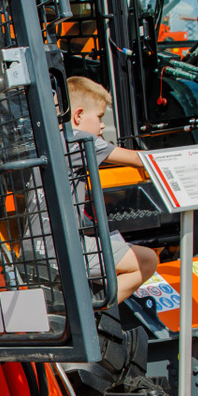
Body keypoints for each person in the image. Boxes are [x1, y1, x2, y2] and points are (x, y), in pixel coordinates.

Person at [69, 76, 159, 304]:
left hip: (39, 245)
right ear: (78, 115)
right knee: (147, 260)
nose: (102, 125)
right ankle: (93, 313)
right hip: (68, 249)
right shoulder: (79, 140)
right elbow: (137, 159)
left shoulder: (51, 140)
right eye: (99, 117)